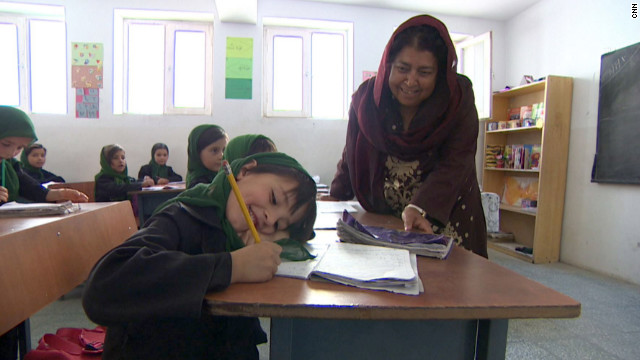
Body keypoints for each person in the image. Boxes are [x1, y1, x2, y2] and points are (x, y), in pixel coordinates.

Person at [82, 152, 317, 360]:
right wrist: (232, 266)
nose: (270, 219)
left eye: (279, 227)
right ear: (245, 171)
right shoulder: (182, 215)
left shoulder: (236, 240)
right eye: (274, 199)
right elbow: (104, 287)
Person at [325, 15, 487, 257]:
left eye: (424, 72)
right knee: (390, 284)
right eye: (403, 69)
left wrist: (421, 208)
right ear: (388, 64)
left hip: (444, 213)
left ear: (440, 73)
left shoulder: (457, 100)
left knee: (448, 287)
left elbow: (457, 161)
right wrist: (335, 196)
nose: (411, 81)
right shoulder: (366, 101)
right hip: (386, 219)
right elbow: (352, 153)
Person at [0, 105, 87, 359]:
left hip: (9, 252)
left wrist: (58, 194)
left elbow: (36, 190)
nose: (12, 153)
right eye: (6, 144)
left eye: (19, 148)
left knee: (11, 318)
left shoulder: (10, 166)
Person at [186, 124, 228, 189]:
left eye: (224, 150)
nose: (221, 156)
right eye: (214, 150)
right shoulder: (197, 184)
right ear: (197, 153)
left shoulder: (223, 175)